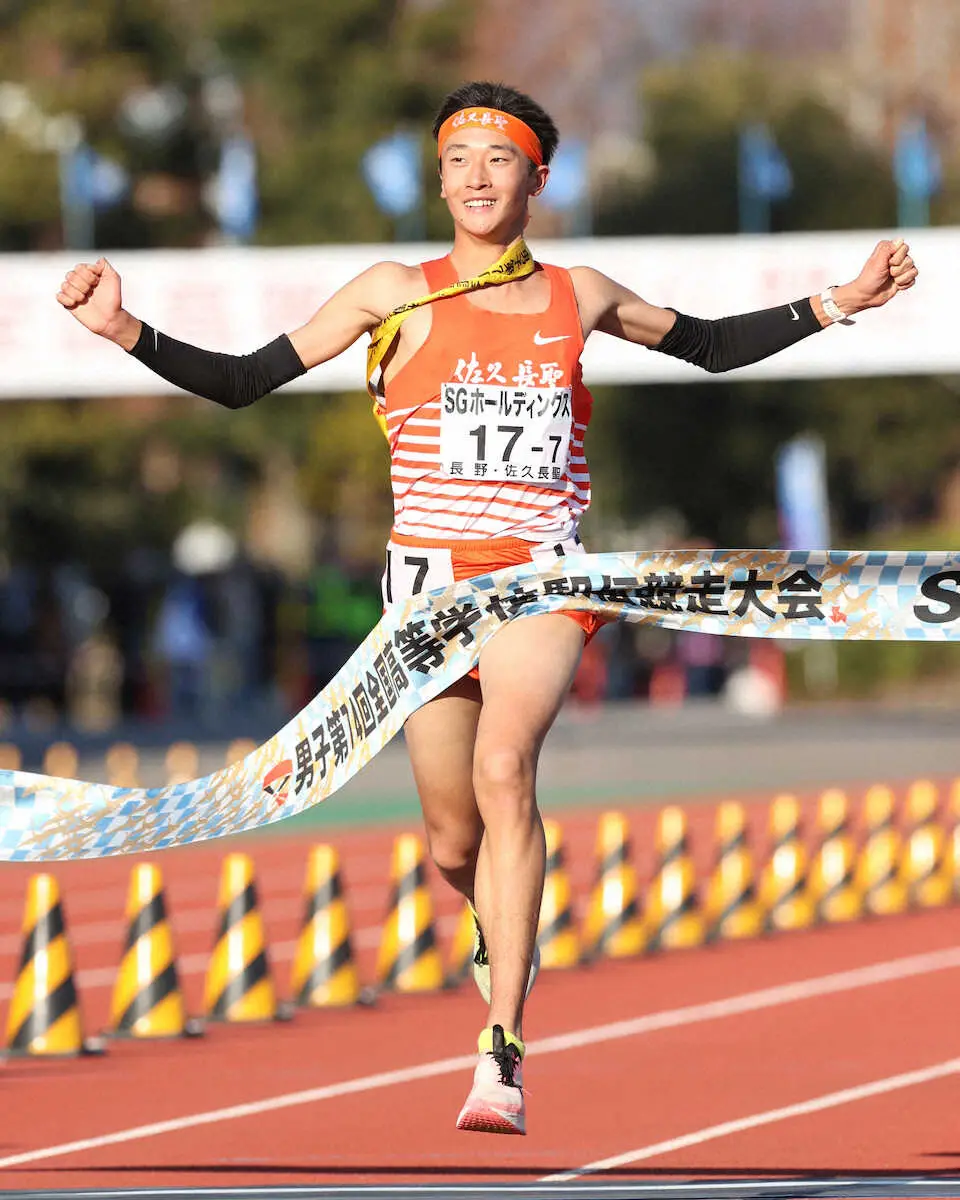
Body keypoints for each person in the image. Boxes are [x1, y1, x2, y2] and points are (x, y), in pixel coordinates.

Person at [56, 80, 918, 1136]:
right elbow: (243, 381)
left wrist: (840, 301)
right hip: (427, 597)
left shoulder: (578, 294)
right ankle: (493, 918)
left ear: (535, 179)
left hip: (541, 583)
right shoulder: (390, 292)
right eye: (457, 159)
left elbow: (707, 343)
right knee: (450, 840)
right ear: (439, 180)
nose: (475, 176)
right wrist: (125, 330)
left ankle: (501, 1045)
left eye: (498, 158)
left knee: (506, 768)